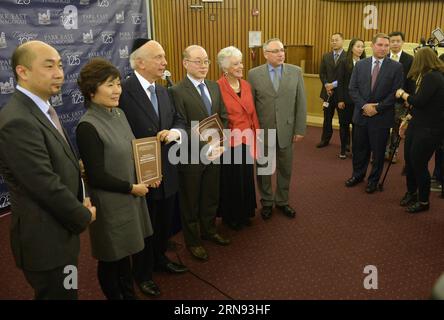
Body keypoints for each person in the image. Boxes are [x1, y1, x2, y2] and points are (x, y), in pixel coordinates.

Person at [0, 41, 96, 300]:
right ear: (23, 72)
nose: (59, 73)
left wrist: (81, 196)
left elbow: (64, 163)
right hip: (45, 241)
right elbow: (43, 183)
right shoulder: (18, 120)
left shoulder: (44, 110)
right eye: (49, 66)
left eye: (61, 65)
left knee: (69, 292)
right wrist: (82, 214)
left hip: (60, 233)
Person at [76, 58, 154, 299]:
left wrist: (149, 176)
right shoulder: (87, 126)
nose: (117, 90)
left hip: (131, 195)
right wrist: (133, 188)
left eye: (118, 84)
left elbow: (132, 152)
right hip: (111, 204)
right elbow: (97, 177)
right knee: (111, 259)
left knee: (126, 256)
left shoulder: (119, 113)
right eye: (110, 85)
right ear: (91, 90)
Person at [119, 39, 188, 277]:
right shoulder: (122, 91)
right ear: (140, 62)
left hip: (167, 171)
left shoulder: (163, 90)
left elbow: (179, 119)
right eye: (158, 57)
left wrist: (175, 133)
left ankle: (160, 258)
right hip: (141, 176)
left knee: (164, 223)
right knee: (144, 227)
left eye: (164, 56)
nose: (165, 62)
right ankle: (142, 272)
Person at [170, 45, 230, 261]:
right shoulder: (176, 91)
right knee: (191, 201)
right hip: (191, 156)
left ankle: (210, 230)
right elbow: (181, 125)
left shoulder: (214, 87)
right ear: (185, 63)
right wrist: (206, 146)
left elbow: (223, 117)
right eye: (198, 61)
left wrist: (222, 141)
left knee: (210, 195)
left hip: (215, 153)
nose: (203, 65)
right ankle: (193, 241)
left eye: (206, 61)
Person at [248, 38, 307, 220]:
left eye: (282, 50)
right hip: (263, 131)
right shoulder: (254, 74)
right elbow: (251, 106)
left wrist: (299, 129)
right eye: (275, 51)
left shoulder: (295, 72)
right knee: (264, 168)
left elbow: (301, 103)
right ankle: (266, 201)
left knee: (285, 168)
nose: (281, 53)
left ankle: (282, 201)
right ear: (266, 54)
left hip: (287, 130)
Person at [345, 33, 404, 194]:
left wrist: (377, 108)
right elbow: (352, 89)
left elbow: (395, 93)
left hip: (382, 118)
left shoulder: (396, 67)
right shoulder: (360, 65)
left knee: (378, 153)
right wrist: (365, 106)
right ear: (372, 45)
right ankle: (357, 175)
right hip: (361, 115)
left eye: (386, 45)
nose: (384, 48)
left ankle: (373, 180)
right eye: (380, 45)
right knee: (359, 150)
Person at [216, 46, 260, 230]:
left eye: (241, 62)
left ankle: (245, 212)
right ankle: (231, 215)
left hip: (247, 138)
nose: (241, 66)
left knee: (246, 177)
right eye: (236, 64)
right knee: (232, 180)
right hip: (230, 141)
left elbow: (253, 114)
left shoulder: (247, 85)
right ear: (225, 68)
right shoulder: (217, 87)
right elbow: (217, 117)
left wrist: (258, 136)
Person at [396, 47, 444, 213]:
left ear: (421, 60)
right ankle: (411, 192)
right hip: (418, 125)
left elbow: (420, 101)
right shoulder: (427, 77)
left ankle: (424, 201)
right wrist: (408, 119)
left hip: (428, 130)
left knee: (419, 164)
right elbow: (423, 105)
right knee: (410, 161)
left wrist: (403, 94)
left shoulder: (433, 77)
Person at [385, 31, 414, 164]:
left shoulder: (409, 59)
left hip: (401, 101)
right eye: (392, 41)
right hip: (384, 100)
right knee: (383, 127)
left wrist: (409, 98)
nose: (395, 43)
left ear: (403, 42)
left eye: (398, 41)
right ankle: (381, 151)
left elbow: (411, 80)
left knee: (397, 129)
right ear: (389, 43)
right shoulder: (384, 57)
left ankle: (393, 153)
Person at [337, 38, 366, 159]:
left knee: (357, 127)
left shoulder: (366, 62)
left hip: (359, 102)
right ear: (352, 47)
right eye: (358, 46)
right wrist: (340, 99)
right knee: (344, 125)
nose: (360, 49)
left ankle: (355, 149)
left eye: (362, 47)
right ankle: (343, 148)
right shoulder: (344, 62)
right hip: (345, 100)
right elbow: (340, 82)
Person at [316, 32, 346, 149]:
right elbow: (322, 73)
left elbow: (348, 76)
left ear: (342, 41)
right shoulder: (326, 56)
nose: (334, 42)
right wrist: (326, 84)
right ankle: (325, 139)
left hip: (341, 94)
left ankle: (345, 144)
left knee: (343, 121)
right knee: (327, 119)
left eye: (336, 40)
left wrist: (333, 85)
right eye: (332, 40)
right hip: (327, 93)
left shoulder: (347, 56)